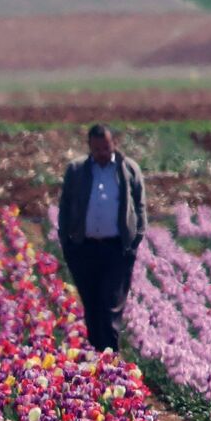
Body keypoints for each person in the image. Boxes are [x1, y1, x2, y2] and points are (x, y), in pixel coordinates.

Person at [56, 123, 146, 352]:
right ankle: (97, 356)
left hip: (116, 249)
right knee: (92, 305)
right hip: (84, 249)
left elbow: (140, 206)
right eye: (97, 150)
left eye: (106, 148)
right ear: (90, 148)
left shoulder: (128, 170)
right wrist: (67, 242)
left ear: (113, 143)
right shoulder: (77, 171)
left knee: (110, 305)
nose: (102, 154)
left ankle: (111, 356)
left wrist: (135, 240)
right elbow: (65, 206)